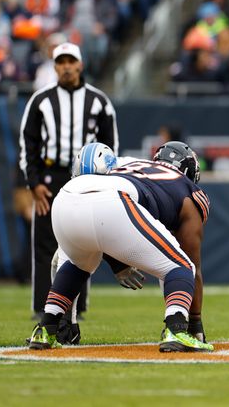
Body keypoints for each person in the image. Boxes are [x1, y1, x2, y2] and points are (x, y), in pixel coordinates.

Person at [28, 141, 212, 353]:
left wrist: (117, 261)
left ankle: (46, 328)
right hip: (111, 200)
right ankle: (176, 329)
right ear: (190, 172)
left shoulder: (132, 165)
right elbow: (192, 265)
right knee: (182, 267)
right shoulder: (189, 191)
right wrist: (195, 323)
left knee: (79, 264)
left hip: (66, 197)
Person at [19, 42, 118, 321]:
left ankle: (78, 307)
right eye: (60, 62)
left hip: (84, 177)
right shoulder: (40, 101)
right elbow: (29, 144)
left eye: (70, 61)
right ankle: (42, 306)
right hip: (49, 178)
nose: (65, 67)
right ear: (54, 67)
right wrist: (34, 182)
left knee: (83, 241)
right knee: (45, 243)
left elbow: (110, 146)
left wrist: (104, 181)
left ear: (80, 64)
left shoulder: (98, 101)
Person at [47, 142, 146, 345]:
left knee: (173, 262)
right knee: (61, 259)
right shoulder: (79, 184)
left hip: (147, 210)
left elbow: (107, 228)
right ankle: (66, 323)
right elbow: (96, 229)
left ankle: (181, 323)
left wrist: (120, 262)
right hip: (109, 220)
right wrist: (119, 264)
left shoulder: (129, 177)